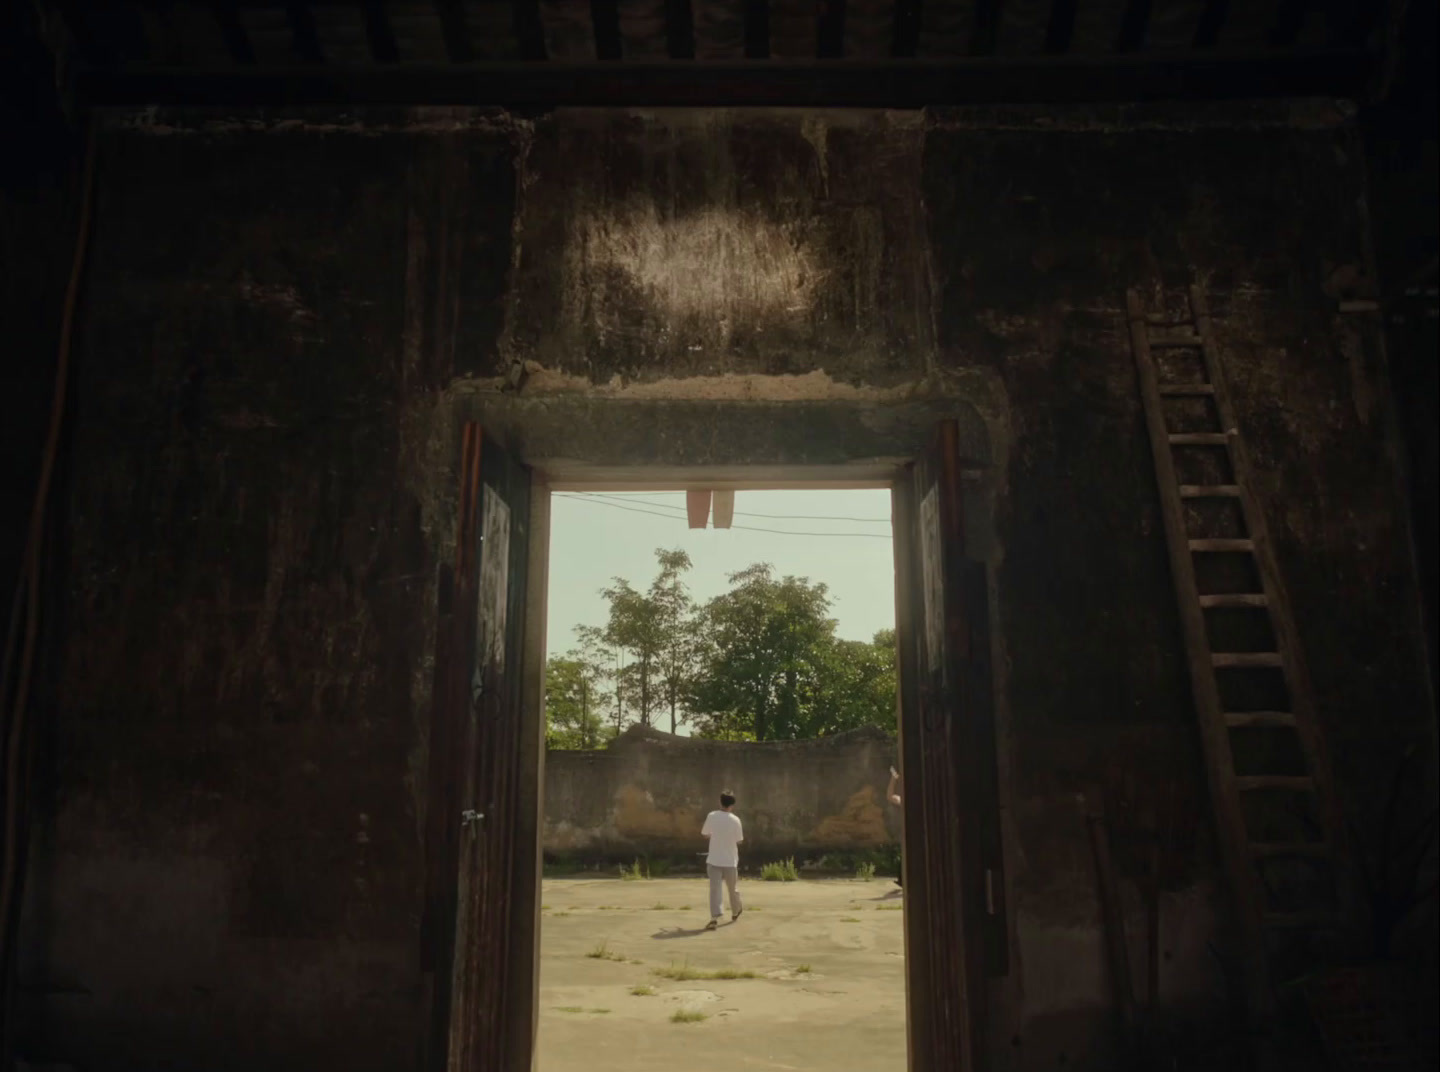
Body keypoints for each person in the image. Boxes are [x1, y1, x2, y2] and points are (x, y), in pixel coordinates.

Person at [701, 790, 744, 930]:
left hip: (714, 859)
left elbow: (705, 834)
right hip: (730, 861)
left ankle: (715, 917)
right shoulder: (736, 820)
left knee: (715, 890)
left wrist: (714, 835)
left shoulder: (711, 816)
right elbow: (739, 840)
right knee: (733, 888)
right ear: (732, 805)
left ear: (720, 802)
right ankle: (735, 910)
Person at [887, 766, 903, 889]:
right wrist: (893, 779)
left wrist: (894, 779)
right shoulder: (903, 800)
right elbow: (890, 796)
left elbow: (890, 796)